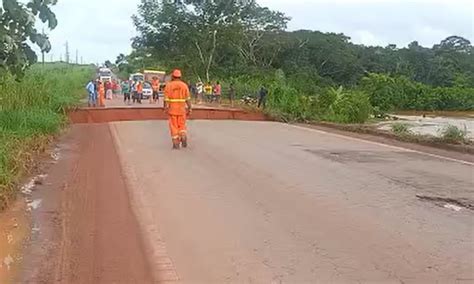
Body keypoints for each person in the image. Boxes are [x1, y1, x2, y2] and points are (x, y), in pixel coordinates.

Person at [164, 69, 192, 149]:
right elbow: (188, 99)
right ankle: (183, 135)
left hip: (172, 110)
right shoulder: (184, 85)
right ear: (180, 76)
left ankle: (176, 143)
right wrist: (190, 108)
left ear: (173, 76)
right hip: (182, 110)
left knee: (173, 126)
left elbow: (166, 99)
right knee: (182, 125)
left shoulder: (169, 86)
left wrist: (165, 108)